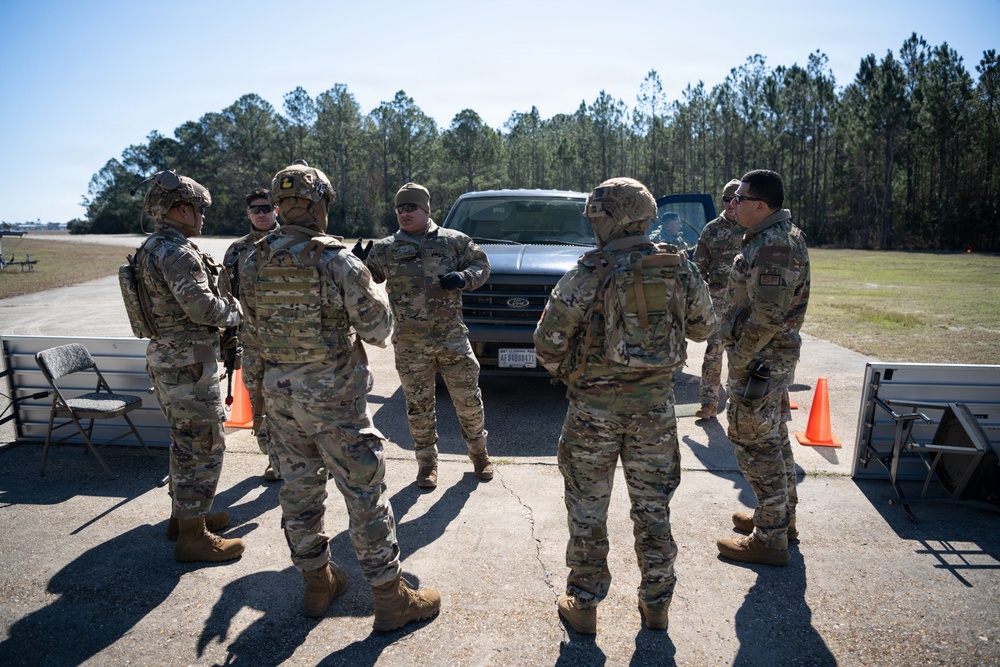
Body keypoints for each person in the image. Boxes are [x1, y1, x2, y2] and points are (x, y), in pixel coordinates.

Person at [239, 161, 440, 628]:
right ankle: (391, 600)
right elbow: (378, 330)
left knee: (298, 492)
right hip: (334, 401)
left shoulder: (253, 259)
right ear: (319, 205)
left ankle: (316, 584)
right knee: (365, 494)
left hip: (280, 396)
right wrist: (371, 287)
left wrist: (258, 400)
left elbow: (250, 337)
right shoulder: (335, 260)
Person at [533, 177, 716, 633]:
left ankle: (585, 604)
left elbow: (547, 344)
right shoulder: (680, 268)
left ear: (613, 219)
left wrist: (576, 373)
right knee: (653, 510)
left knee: (587, 510)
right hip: (655, 411)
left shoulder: (588, 272)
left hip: (592, 414)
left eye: (597, 217)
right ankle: (657, 604)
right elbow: (703, 328)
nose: (593, 226)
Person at [136, 170, 245, 563]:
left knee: (185, 443)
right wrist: (236, 310)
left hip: (172, 361)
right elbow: (201, 308)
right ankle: (192, 537)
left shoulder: (154, 247)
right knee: (204, 445)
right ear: (181, 209)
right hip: (187, 366)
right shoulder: (177, 253)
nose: (202, 217)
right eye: (198, 209)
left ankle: (184, 517)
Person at [355, 182, 493, 490]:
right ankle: (427, 465)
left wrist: (465, 277)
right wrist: (356, 264)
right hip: (410, 344)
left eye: (411, 207)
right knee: (419, 408)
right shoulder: (387, 247)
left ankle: (479, 456)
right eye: (400, 208)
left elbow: (482, 266)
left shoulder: (454, 241)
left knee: (468, 401)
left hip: (452, 339)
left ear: (426, 209)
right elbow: (366, 283)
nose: (404, 213)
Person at [717, 169, 810, 567]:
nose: (733, 204)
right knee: (773, 439)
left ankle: (770, 540)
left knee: (756, 445)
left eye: (740, 197)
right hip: (766, 362)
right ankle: (779, 520)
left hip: (759, 362)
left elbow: (767, 316)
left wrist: (739, 360)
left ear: (760, 204)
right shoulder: (773, 238)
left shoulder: (775, 246)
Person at [224, 187, 281, 482]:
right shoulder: (236, 250)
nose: (262, 213)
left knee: (297, 400)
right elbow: (225, 296)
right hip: (253, 340)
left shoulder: (291, 242)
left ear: (277, 210)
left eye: (267, 208)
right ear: (248, 213)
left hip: (291, 341)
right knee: (259, 399)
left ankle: (311, 456)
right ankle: (274, 459)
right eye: (256, 209)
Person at [692, 179, 743, 420]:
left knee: (743, 354)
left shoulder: (754, 228)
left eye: (737, 199)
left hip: (747, 304)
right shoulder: (711, 230)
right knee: (714, 353)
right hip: (718, 303)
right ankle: (709, 404)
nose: (732, 204)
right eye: (727, 199)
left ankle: (739, 403)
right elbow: (698, 268)